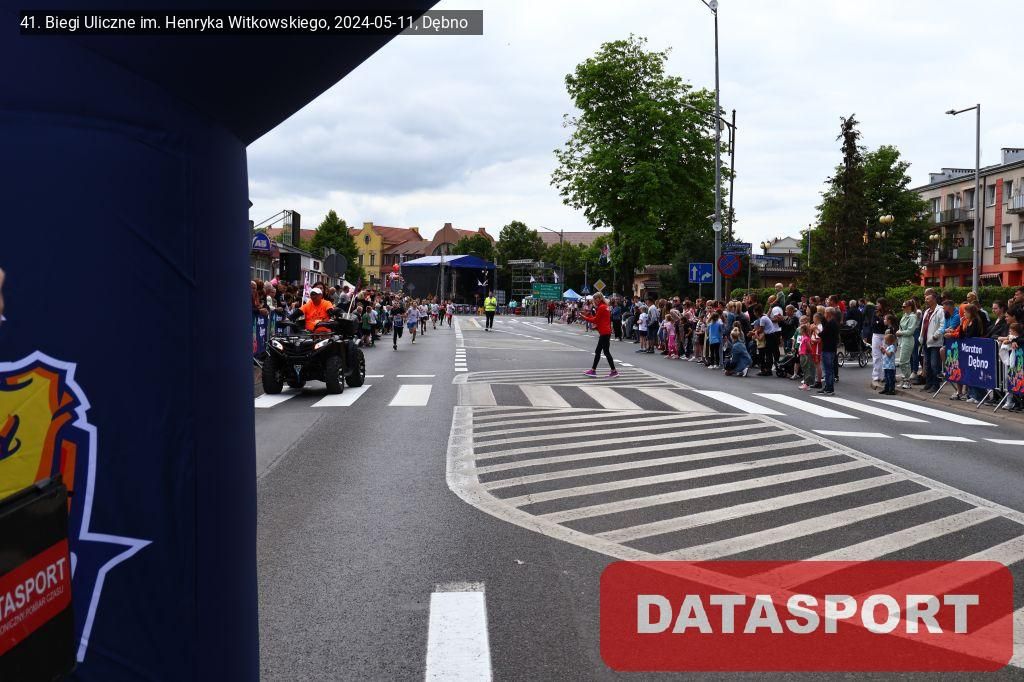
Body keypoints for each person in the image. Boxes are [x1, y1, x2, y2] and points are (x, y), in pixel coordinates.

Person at [580, 292, 617, 377]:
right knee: (600, 351)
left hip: (604, 332)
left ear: (599, 298)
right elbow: (602, 320)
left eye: (595, 299)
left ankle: (613, 371)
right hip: (605, 331)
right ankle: (594, 370)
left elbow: (595, 320)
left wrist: (585, 317)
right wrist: (596, 326)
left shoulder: (601, 307)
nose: (594, 301)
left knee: (604, 352)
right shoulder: (605, 306)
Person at [919, 293, 946, 393]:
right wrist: (921, 337)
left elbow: (943, 325)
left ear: (934, 299)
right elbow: (923, 325)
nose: (926, 301)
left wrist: (936, 335)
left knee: (934, 364)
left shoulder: (940, 310)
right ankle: (928, 383)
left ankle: (935, 385)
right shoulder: (927, 311)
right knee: (927, 364)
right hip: (926, 341)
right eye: (925, 299)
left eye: (928, 299)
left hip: (935, 342)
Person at [896, 301, 917, 390]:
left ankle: (907, 381)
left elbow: (910, 331)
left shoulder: (912, 317)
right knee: (903, 361)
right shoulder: (904, 316)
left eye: (904, 306)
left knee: (904, 361)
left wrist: (900, 333)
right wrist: (899, 332)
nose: (902, 308)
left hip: (908, 340)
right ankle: (905, 379)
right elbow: (901, 327)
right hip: (902, 340)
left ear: (909, 307)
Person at [818, 307, 839, 395]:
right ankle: (828, 387)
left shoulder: (831, 323)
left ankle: (829, 388)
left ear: (829, 314)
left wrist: (816, 330)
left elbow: (823, 334)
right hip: (832, 348)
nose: (824, 314)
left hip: (828, 348)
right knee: (829, 369)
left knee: (828, 370)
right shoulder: (833, 322)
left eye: (825, 313)